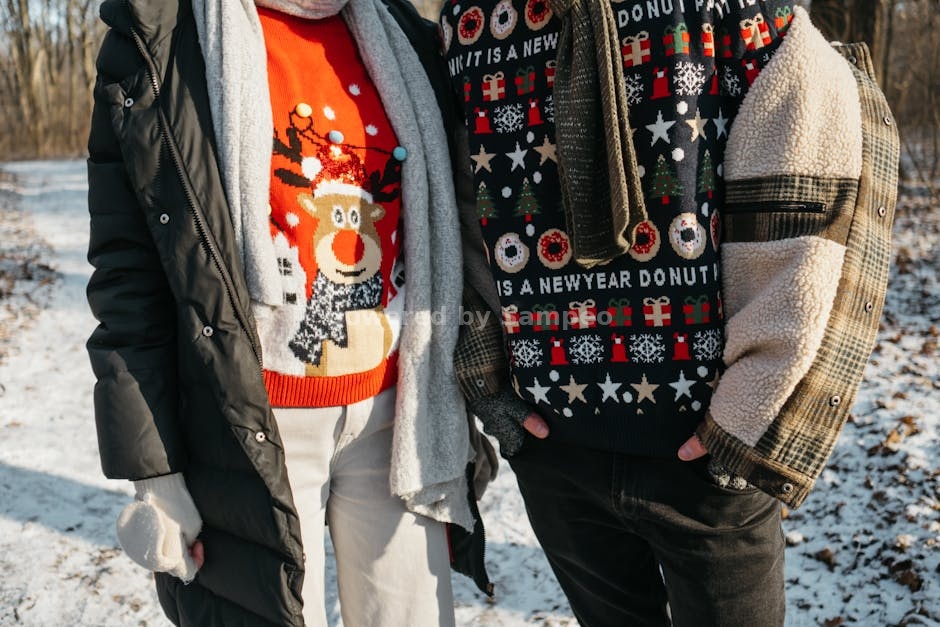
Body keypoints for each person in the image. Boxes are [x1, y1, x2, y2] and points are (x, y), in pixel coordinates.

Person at [444, 0, 898, 624]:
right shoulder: (474, 21)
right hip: (555, 453)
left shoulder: (735, 10)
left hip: (704, 455)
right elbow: (458, 209)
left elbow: (808, 193)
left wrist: (747, 413)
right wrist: (491, 386)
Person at [85, 0, 495, 624]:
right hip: (252, 428)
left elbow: (460, 219)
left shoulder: (409, 36)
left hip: (402, 419)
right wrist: (155, 470)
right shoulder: (163, 41)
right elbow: (129, 271)